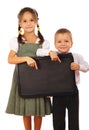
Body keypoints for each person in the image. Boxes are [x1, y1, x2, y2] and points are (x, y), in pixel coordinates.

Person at [6, 7, 57, 130]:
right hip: (24, 80)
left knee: (38, 111)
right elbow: (10, 59)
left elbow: (48, 66)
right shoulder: (17, 41)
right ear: (20, 23)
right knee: (26, 110)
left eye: (31, 20)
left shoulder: (43, 42)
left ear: (37, 21)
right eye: (25, 21)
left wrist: (51, 53)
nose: (28, 23)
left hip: (40, 80)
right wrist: (26, 58)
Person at [51, 28, 89, 130]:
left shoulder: (76, 56)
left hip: (72, 92)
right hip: (57, 92)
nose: (63, 44)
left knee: (74, 118)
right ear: (55, 44)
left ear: (71, 43)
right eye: (59, 41)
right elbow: (39, 52)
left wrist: (78, 66)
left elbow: (87, 66)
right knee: (57, 119)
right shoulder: (52, 56)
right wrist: (50, 52)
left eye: (66, 41)